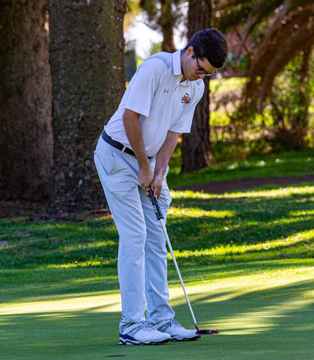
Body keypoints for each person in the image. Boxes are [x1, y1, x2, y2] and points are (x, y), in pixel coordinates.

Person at [94, 28, 228, 345]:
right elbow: (129, 119)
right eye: (200, 69)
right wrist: (143, 166)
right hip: (116, 155)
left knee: (156, 237)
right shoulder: (154, 68)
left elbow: (173, 132)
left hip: (150, 162)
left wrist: (158, 172)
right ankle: (131, 325)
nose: (200, 77)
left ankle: (161, 319)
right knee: (135, 235)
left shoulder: (193, 88)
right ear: (190, 51)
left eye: (207, 75)